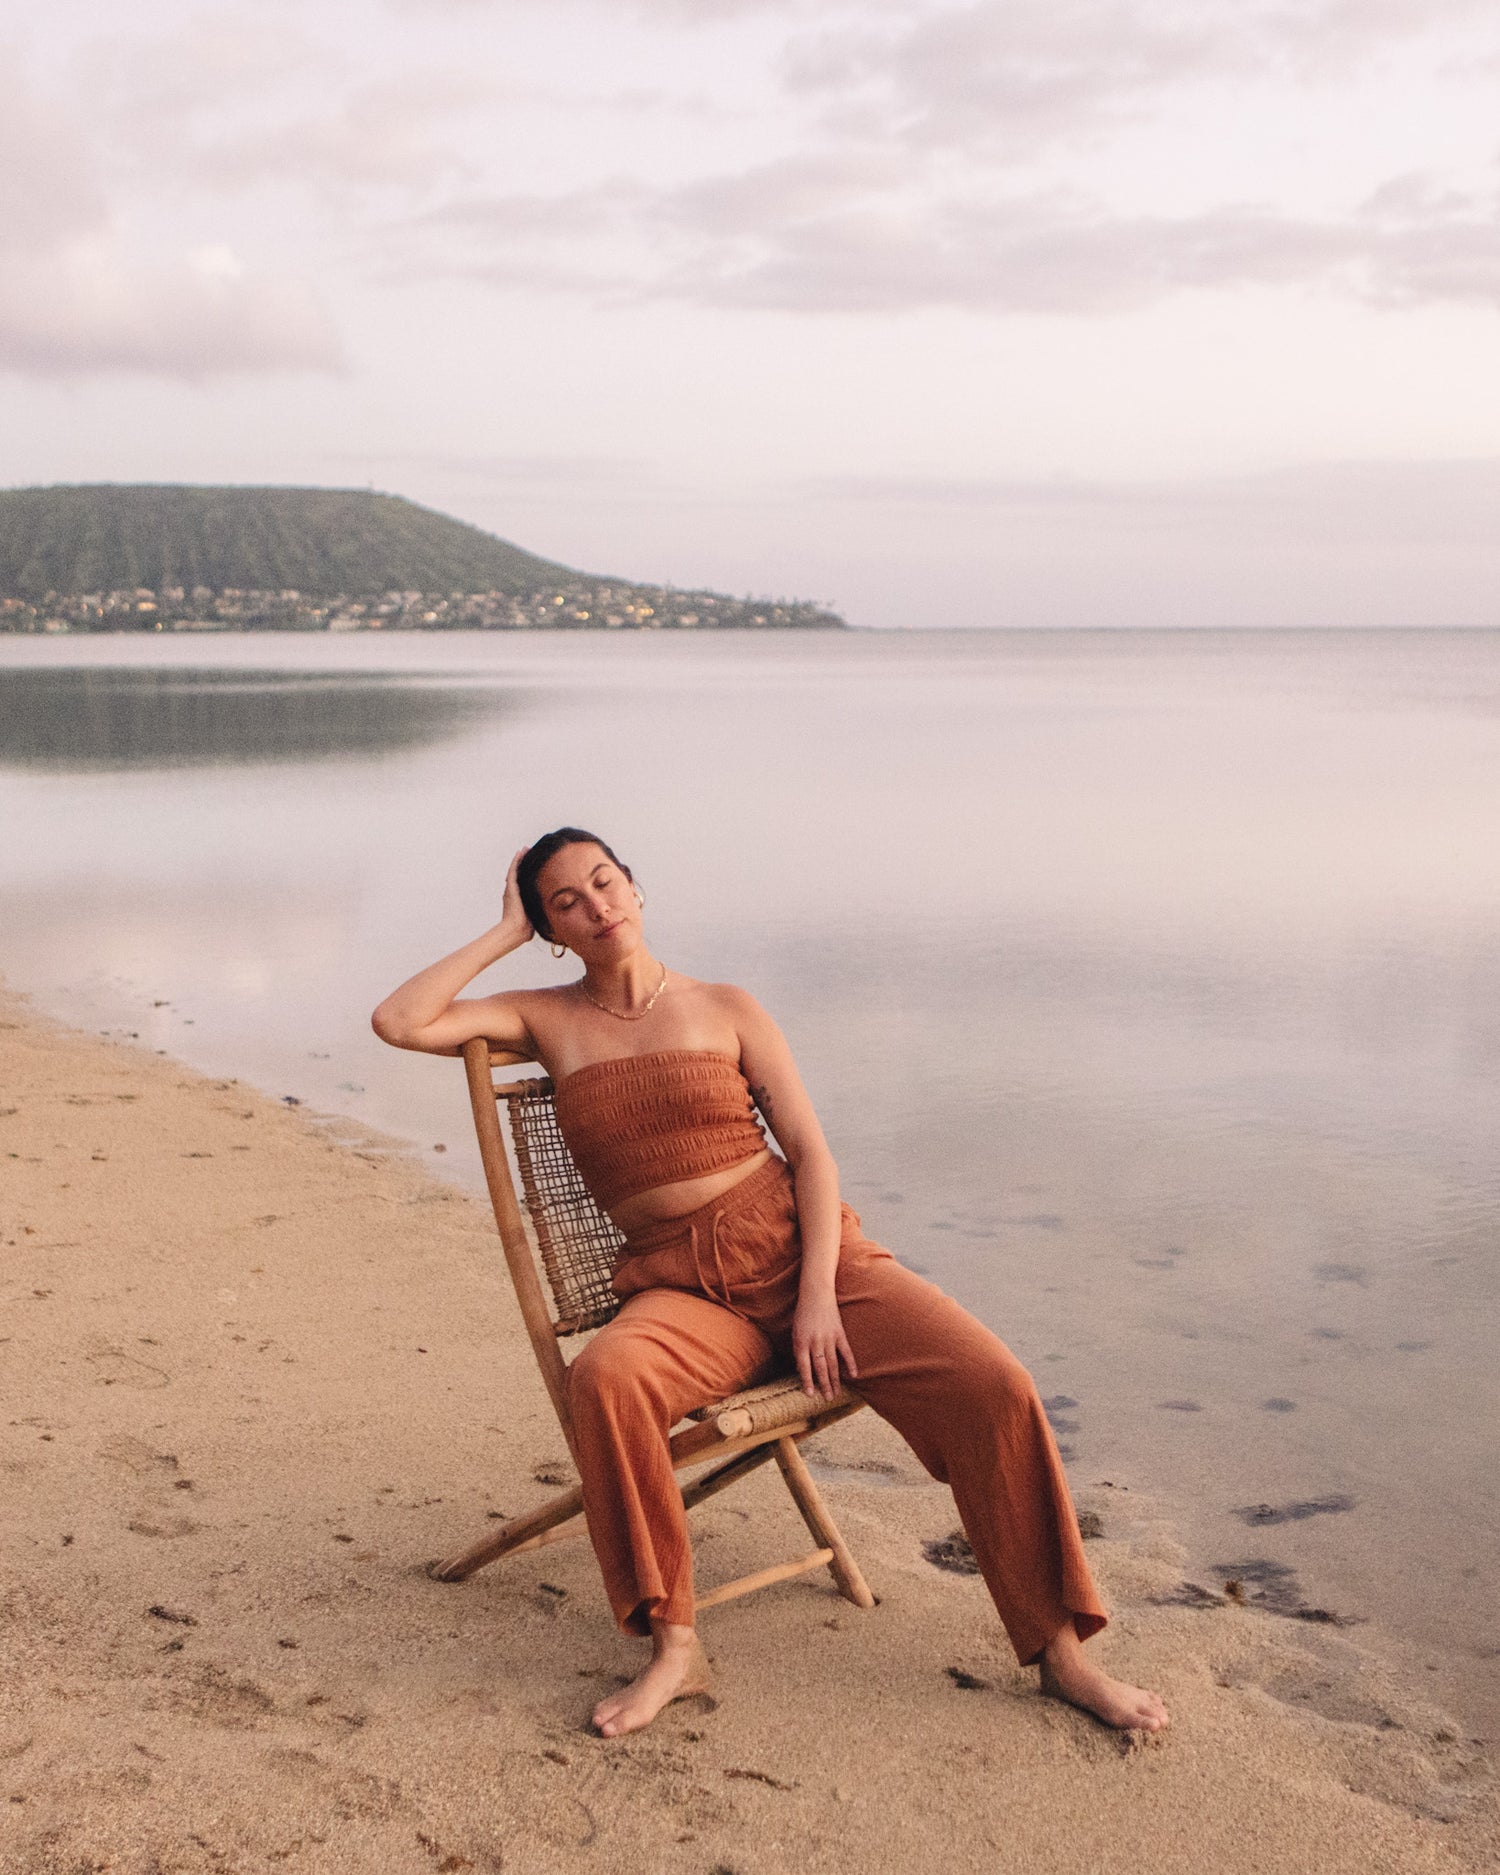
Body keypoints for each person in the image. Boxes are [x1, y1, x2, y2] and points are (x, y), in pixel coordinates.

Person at [372, 828, 1168, 1740]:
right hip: (683, 1287)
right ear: (552, 928)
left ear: (636, 885)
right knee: (607, 1379)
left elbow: (814, 1153)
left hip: (806, 1253)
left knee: (996, 1386)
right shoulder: (542, 1015)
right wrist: (501, 931)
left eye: (606, 882)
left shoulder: (725, 1006)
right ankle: (675, 1647)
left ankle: (1063, 1656)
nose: (598, 907)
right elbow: (399, 1021)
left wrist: (821, 1295)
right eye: (567, 903)